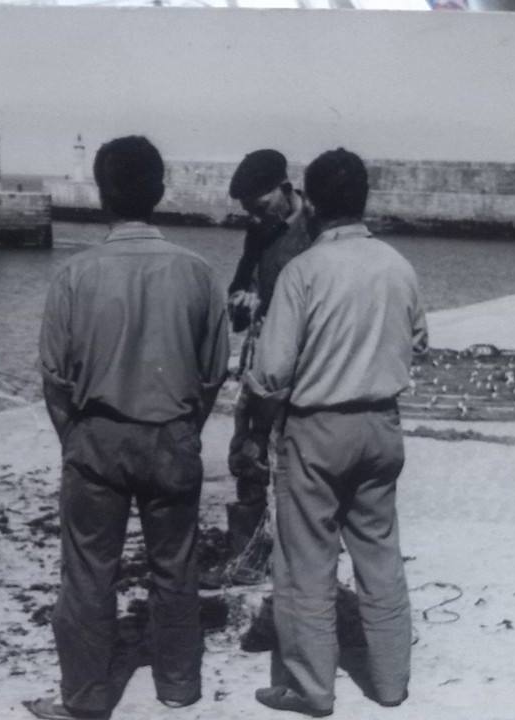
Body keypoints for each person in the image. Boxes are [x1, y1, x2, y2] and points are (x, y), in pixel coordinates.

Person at [29, 135, 230, 720]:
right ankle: (177, 686)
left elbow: (54, 376)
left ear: (100, 196)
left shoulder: (74, 274)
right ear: (161, 193)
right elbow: (215, 370)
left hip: (98, 434)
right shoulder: (198, 273)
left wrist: (74, 438)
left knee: (89, 573)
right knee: (176, 566)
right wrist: (186, 425)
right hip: (172, 434)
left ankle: (88, 699)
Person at [246, 148, 427, 717]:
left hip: (317, 427)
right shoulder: (398, 264)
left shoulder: (304, 271)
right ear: (365, 199)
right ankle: (392, 682)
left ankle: (311, 688)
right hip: (381, 424)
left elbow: (272, 371)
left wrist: (257, 421)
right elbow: (419, 340)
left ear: (314, 202)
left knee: (306, 564)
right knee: (380, 555)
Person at [201, 149, 312, 589]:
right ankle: (248, 558)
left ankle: (295, 558)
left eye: (259, 206)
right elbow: (239, 289)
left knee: (297, 464)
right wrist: (240, 302)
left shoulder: (317, 230)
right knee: (247, 455)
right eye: (247, 210)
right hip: (260, 360)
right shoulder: (257, 231)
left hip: (304, 366)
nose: (255, 216)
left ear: (285, 190)